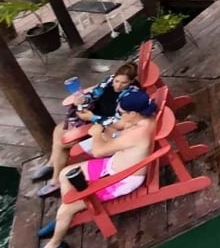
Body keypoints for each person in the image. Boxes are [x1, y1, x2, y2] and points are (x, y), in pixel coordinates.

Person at [22, 91, 160, 248]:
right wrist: (100, 122)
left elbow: (98, 151)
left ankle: (55, 244)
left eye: (122, 112)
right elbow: (116, 131)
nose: (120, 115)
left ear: (133, 114)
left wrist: (96, 134)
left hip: (122, 179)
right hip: (112, 167)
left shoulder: (136, 133)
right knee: (65, 173)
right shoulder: (143, 119)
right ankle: (68, 213)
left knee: (66, 208)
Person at [31, 62, 141, 198]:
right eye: (117, 81)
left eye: (123, 83)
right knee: (59, 129)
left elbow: (118, 123)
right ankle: (52, 164)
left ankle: (55, 180)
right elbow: (94, 94)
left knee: (62, 144)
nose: (118, 85)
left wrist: (93, 117)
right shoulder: (109, 81)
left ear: (132, 81)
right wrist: (82, 100)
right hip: (94, 119)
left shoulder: (130, 96)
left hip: (106, 130)